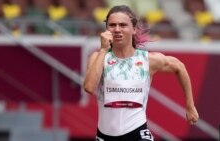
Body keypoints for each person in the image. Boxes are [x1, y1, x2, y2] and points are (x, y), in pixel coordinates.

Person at [83, 5, 199, 141]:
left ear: (134, 29)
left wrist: (190, 105)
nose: (117, 30)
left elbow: (179, 66)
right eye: (112, 25)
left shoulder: (147, 59)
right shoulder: (98, 57)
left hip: (137, 133)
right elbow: (89, 88)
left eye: (123, 25)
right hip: (105, 135)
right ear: (106, 29)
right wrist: (103, 50)